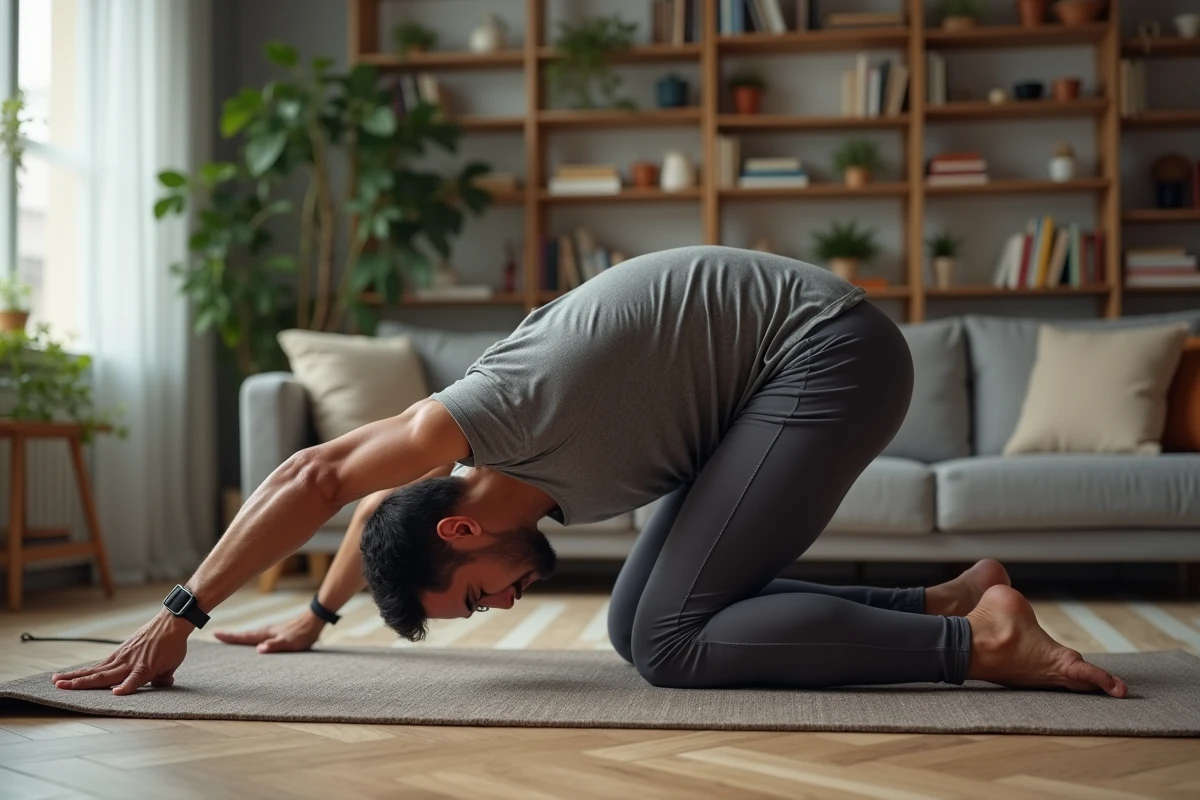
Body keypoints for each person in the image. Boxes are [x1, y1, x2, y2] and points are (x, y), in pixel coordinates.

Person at [51, 246, 1127, 698]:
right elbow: (380, 509)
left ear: (467, 532)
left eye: (477, 595)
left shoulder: (489, 412)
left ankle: (977, 645)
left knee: (665, 640)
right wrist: (315, 618)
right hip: (782, 374)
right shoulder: (477, 489)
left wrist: (183, 610)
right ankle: (948, 593)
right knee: (633, 625)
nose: (505, 603)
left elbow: (324, 471)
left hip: (827, 351)